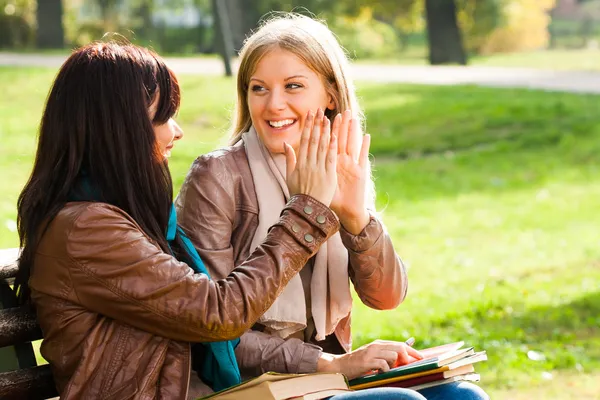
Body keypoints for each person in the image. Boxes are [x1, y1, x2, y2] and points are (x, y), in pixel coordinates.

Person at [176, 13, 489, 400]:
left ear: (330, 94)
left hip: (322, 378)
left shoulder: (339, 163)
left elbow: (386, 297)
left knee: (464, 396)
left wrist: (356, 217)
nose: (274, 105)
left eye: (293, 86)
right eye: (259, 88)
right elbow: (212, 330)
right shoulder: (217, 177)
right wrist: (332, 364)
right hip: (243, 384)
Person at [14, 41, 344, 400]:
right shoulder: (86, 231)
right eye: (163, 117)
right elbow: (219, 313)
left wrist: (325, 363)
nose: (177, 131)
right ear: (121, 127)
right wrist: (305, 213)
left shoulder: (121, 216)